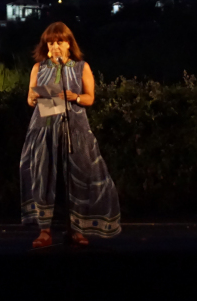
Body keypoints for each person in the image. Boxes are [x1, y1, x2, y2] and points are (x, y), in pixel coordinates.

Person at [19, 22, 121, 248]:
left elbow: (90, 98)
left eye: (59, 42)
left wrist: (73, 96)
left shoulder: (80, 67)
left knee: (77, 177)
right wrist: (34, 98)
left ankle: (77, 229)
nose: (55, 46)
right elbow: (29, 98)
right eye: (51, 42)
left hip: (74, 129)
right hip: (44, 129)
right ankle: (44, 231)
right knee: (44, 177)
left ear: (68, 44)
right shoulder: (39, 68)